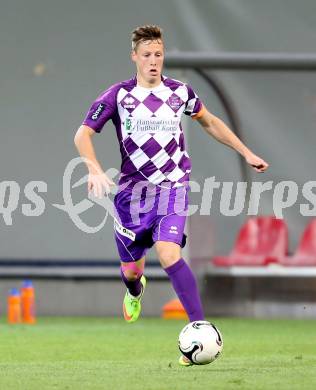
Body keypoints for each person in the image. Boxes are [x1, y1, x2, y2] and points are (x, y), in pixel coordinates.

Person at [74, 25, 269, 366]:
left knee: (167, 253)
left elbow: (210, 122)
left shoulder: (181, 92)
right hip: (133, 198)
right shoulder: (118, 96)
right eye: (147, 55)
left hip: (173, 189)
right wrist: (92, 168)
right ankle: (135, 291)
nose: (153, 61)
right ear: (134, 56)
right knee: (132, 271)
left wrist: (245, 151)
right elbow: (83, 134)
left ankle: (199, 324)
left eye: (159, 55)